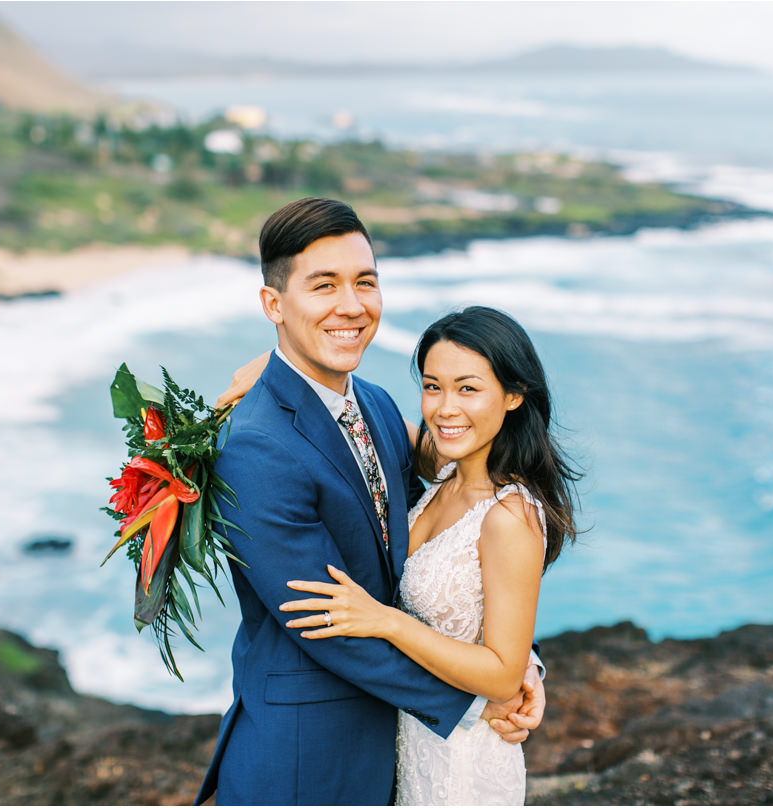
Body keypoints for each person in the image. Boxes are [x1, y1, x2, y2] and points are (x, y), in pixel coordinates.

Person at [195, 199, 543, 807]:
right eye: (323, 285)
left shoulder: (377, 406)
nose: (351, 305)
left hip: (396, 745)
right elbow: (326, 622)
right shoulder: (255, 448)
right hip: (308, 758)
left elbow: (448, 541)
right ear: (274, 304)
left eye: (365, 282)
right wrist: (485, 695)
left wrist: (517, 664)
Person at [280, 306, 579, 804]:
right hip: (416, 736)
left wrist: (384, 621)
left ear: (512, 396)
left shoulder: (510, 518)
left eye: (468, 388)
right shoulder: (443, 465)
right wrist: (268, 372)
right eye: (432, 386)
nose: (444, 408)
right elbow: (351, 416)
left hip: (466, 763)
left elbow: (503, 674)